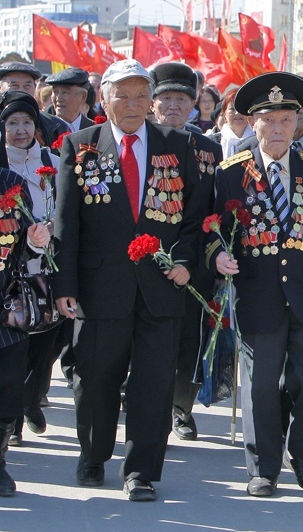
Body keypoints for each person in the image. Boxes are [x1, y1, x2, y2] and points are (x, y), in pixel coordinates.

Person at [53, 59, 207, 502]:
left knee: (154, 382)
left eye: (143, 95)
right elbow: (67, 223)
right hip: (101, 288)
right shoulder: (81, 146)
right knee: (96, 377)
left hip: (162, 285)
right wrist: (66, 285)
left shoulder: (178, 145)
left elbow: (196, 215)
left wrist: (185, 263)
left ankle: (140, 471)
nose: (135, 104)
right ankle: (94, 454)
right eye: (124, 95)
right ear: (104, 99)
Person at [210, 72, 303, 498]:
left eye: (286, 120)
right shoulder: (231, 173)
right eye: (268, 121)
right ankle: (263, 468)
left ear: (299, 122)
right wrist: (216, 257)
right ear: (252, 124)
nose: (277, 129)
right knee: (259, 387)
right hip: (259, 297)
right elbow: (212, 231)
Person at [148, 63, 222, 442]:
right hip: (152, 257)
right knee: (154, 338)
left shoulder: (210, 148)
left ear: (195, 104)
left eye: (182, 99)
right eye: (166, 98)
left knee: (191, 340)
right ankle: (152, 407)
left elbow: (217, 206)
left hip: (198, 259)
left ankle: (182, 409)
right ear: (152, 103)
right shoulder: (144, 144)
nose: (173, 106)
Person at [1, 91, 60, 447]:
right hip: (17, 274)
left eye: (27, 122)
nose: (21, 130)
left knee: (44, 338)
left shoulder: (19, 178)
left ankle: (28, 401)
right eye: (12, 123)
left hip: (28, 272)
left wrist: (41, 240)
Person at [0, 174, 52, 497]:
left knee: (6, 391)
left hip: (7, 311)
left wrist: (34, 243)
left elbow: (26, 257)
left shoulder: (11, 183)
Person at [0, 62, 70, 148]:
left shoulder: (55, 126)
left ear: (35, 87)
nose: (21, 91)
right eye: (14, 85)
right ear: (1, 88)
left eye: (27, 86)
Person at [47, 68, 95, 132]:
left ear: (83, 96)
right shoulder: (44, 129)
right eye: (55, 92)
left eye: (65, 92)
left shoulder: (94, 129)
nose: (58, 98)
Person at [216, 90, 254, 158]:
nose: (237, 113)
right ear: (224, 115)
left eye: (241, 109)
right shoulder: (214, 142)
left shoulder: (258, 140)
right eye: (232, 109)